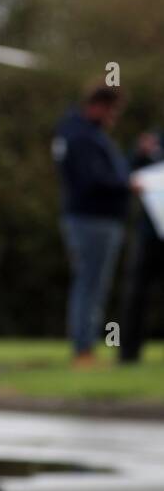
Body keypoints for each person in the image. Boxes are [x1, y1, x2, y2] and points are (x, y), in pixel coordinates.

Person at [52, 84, 133, 367]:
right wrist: (128, 184)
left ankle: (85, 349)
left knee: (90, 285)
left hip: (89, 219)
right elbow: (93, 180)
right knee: (90, 286)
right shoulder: (82, 136)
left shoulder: (75, 132)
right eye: (112, 111)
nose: (113, 118)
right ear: (99, 106)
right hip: (92, 220)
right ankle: (83, 351)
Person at [120, 126, 163, 363]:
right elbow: (124, 173)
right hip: (149, 233)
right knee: (136, 294)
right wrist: (139, 153)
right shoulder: (154, 141)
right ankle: (128, 353)